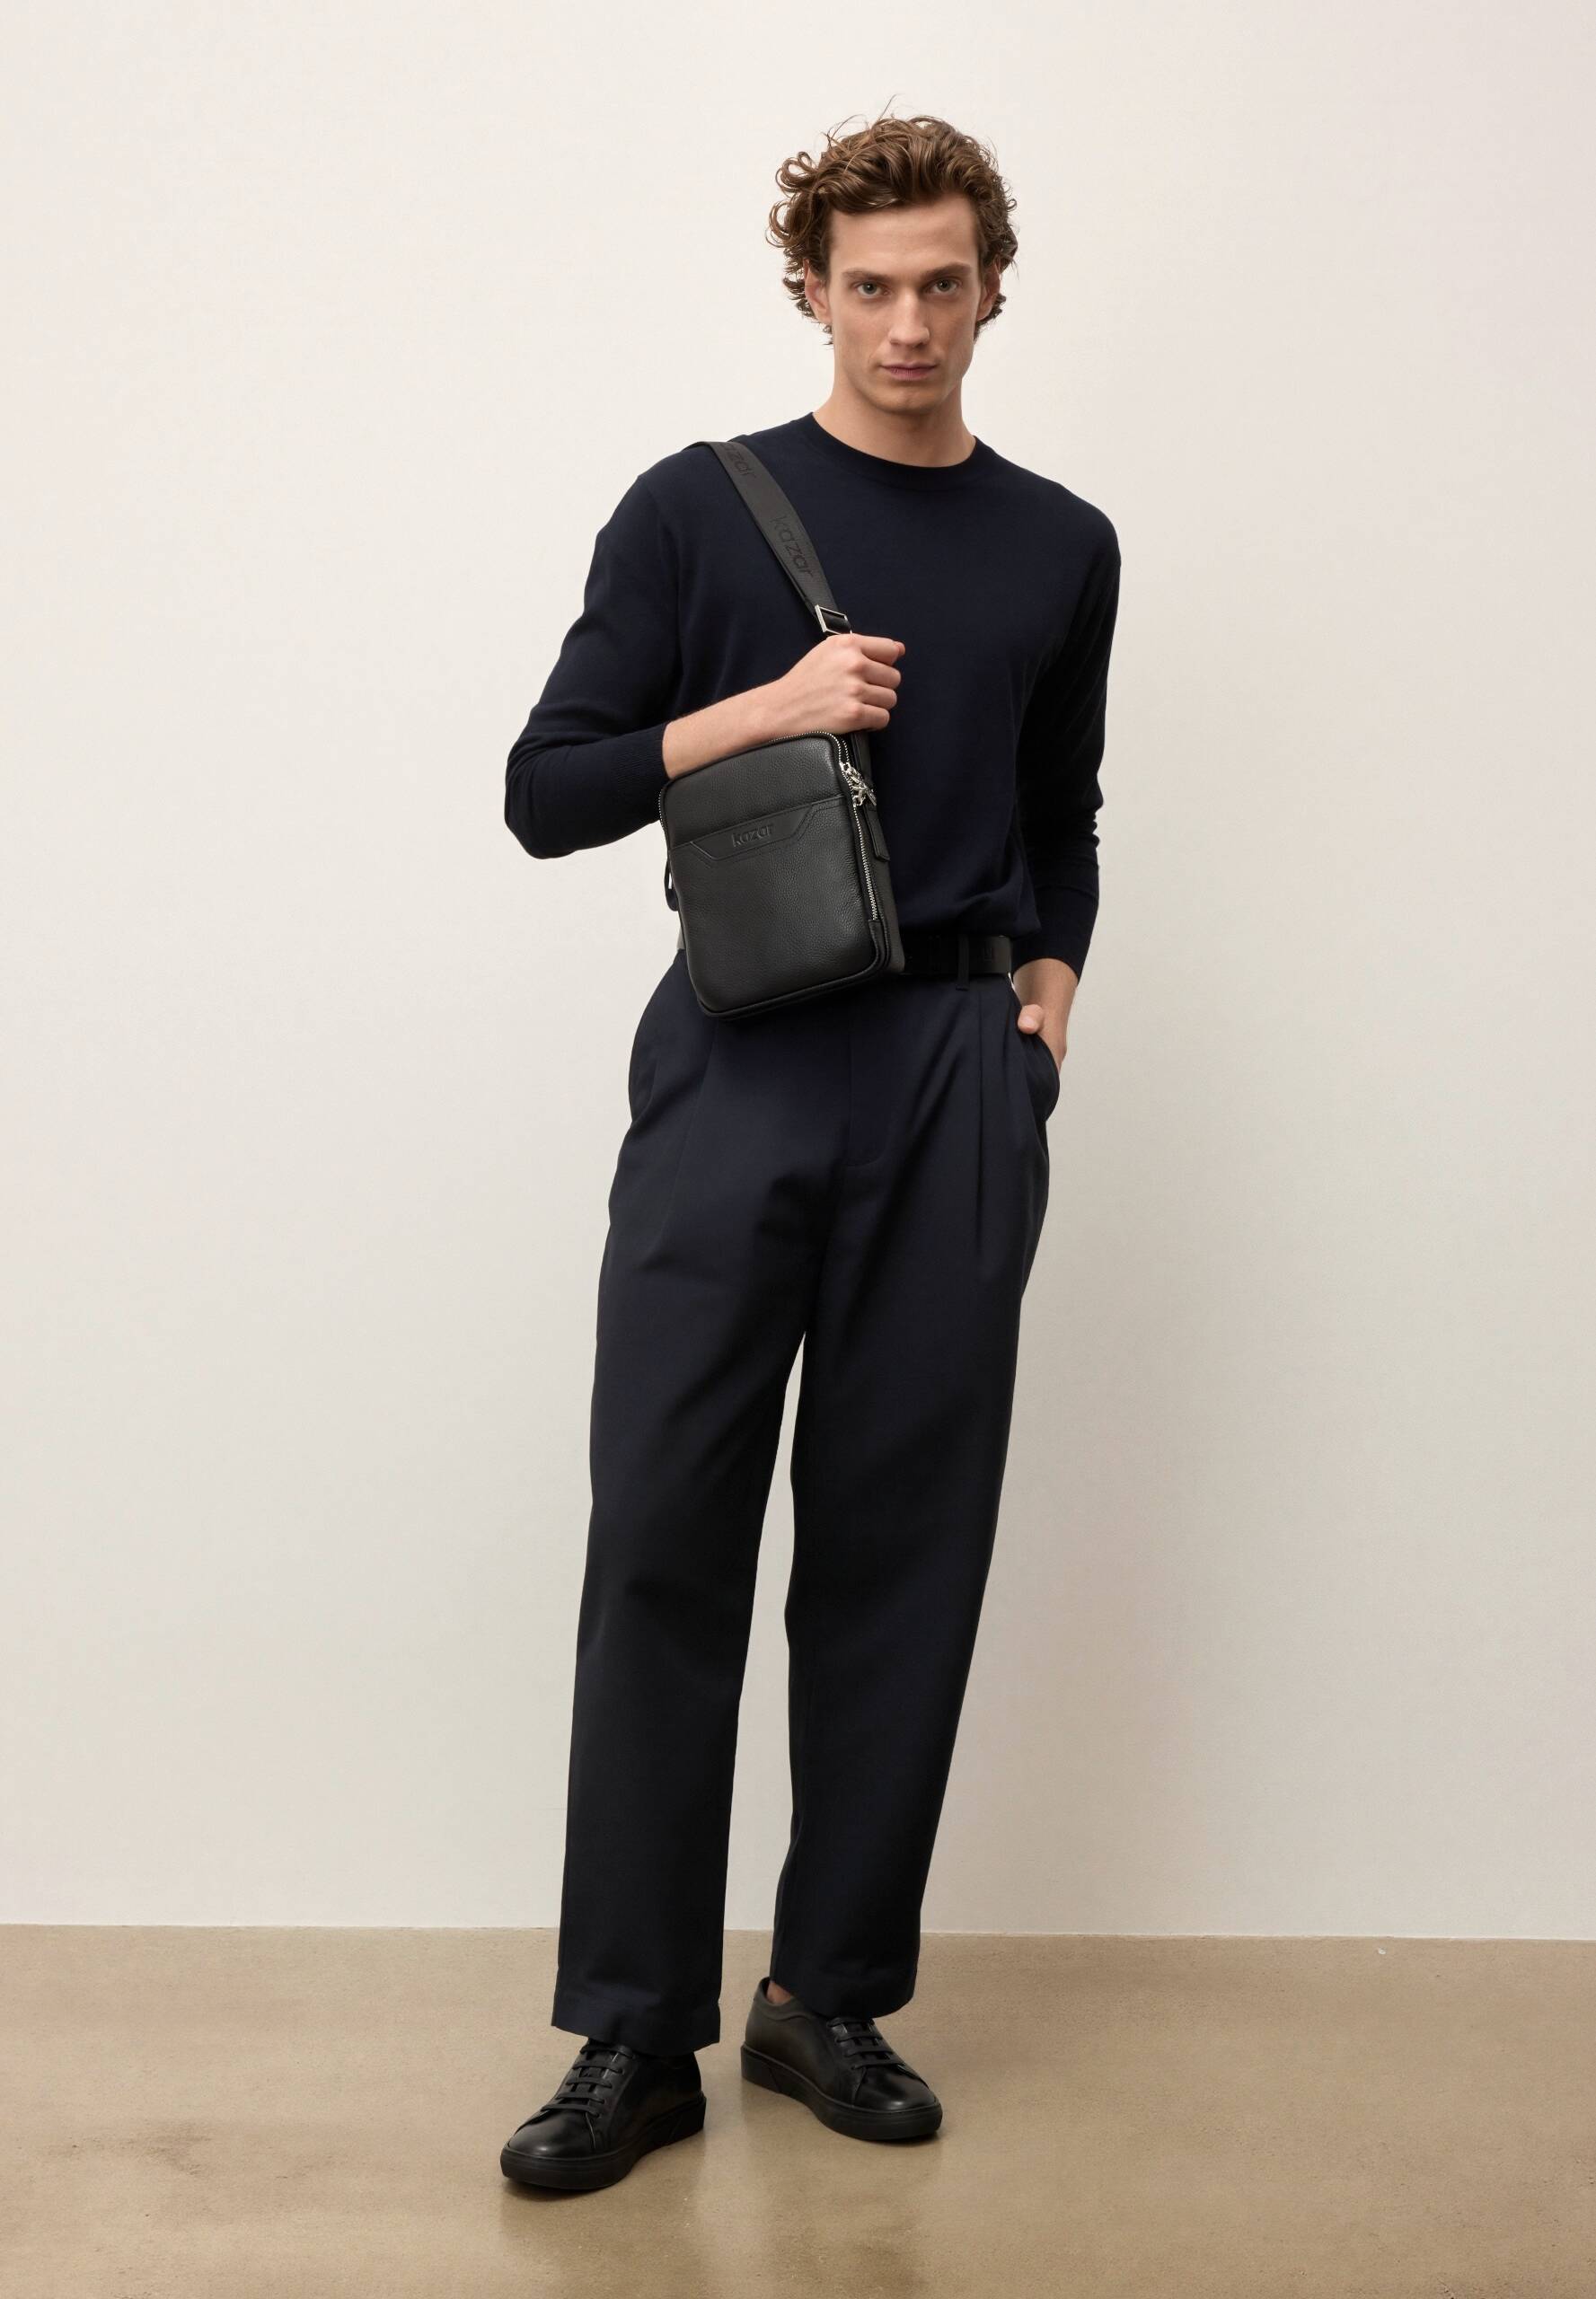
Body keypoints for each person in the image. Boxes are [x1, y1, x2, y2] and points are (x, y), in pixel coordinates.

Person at [498, 110, 1121, 2194]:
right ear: (809, 291)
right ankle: (631, 2030)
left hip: (953, 1067)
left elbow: (1061, 807)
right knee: (663, 1533)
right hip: (742, 1059)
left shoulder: (1060, 541)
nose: (908, 322)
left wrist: (1049, 987)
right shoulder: (697, 510)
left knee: (898, 1549)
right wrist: (759, 708)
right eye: (870, 286)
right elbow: (549, 788)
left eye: (942, 283)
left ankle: (825, 1994)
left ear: (992, 289)